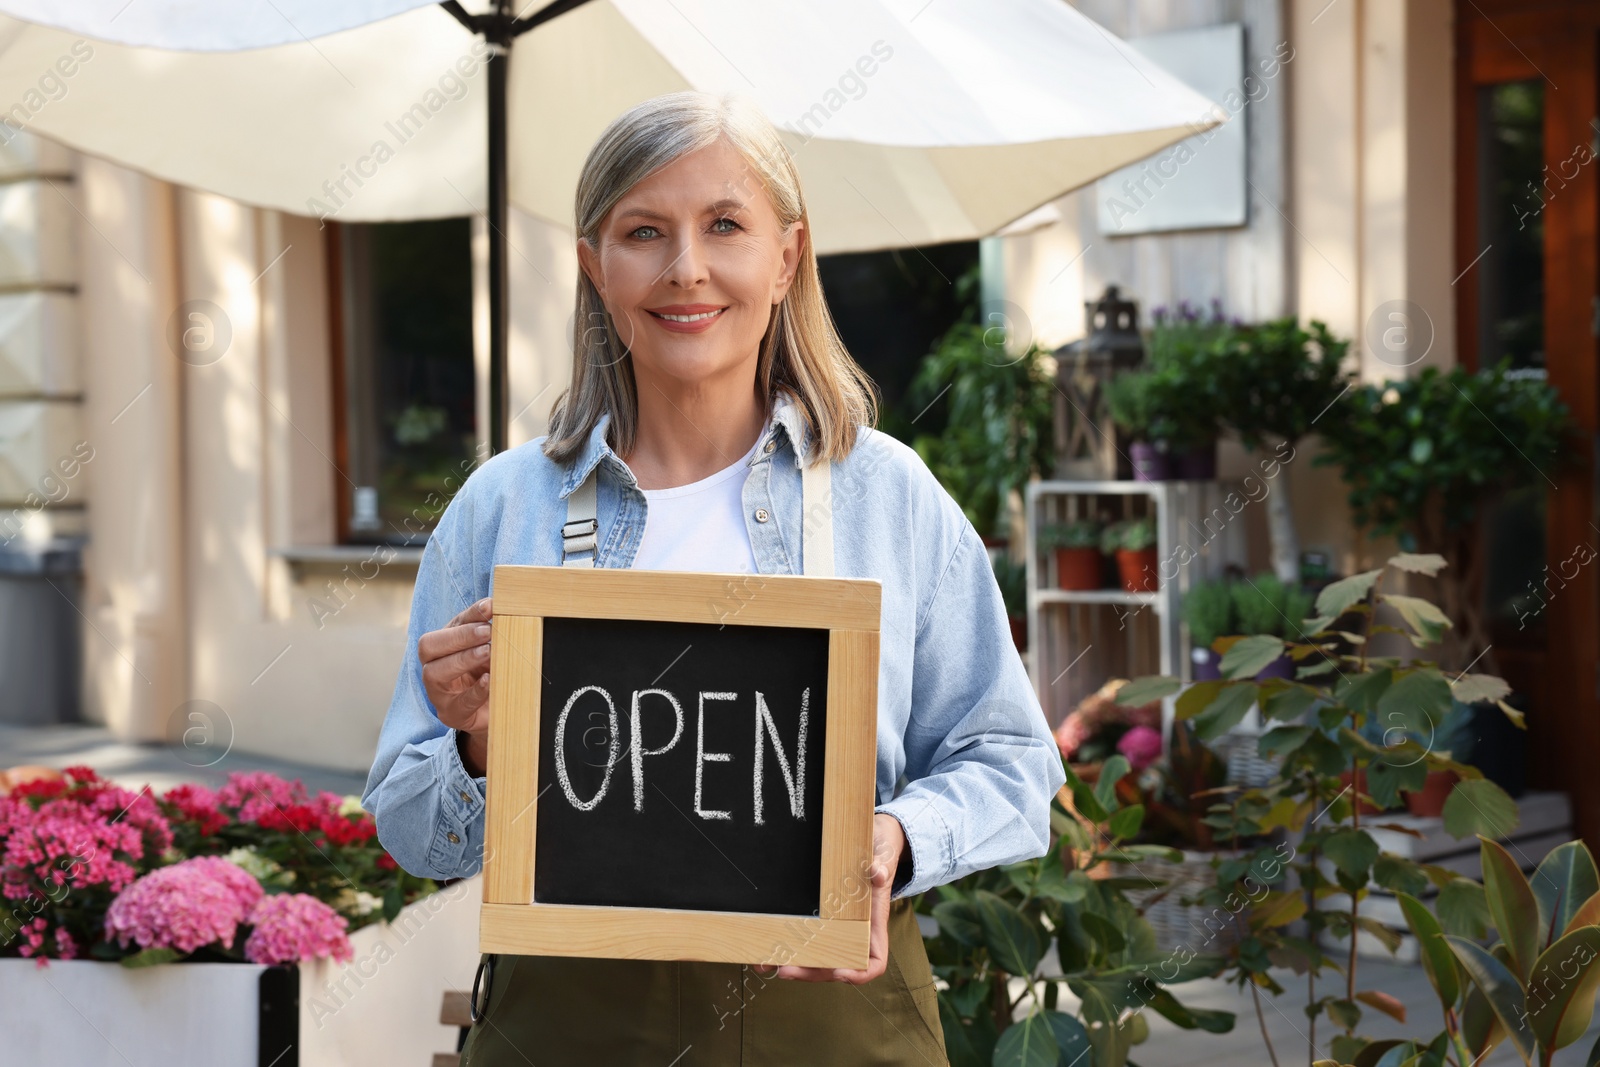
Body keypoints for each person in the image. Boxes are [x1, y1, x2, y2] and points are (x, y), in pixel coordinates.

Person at [362, 89, 1065, 1066]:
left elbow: (1013, 762)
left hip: (836, 1026)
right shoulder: (502, 504)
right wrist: (476, 748)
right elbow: (410, 826)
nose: (685, 267)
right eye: (643, 231)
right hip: (569, 1028)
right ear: (592, 266)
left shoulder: (886, 495)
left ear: (785, 258)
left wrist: (897, 833)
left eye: (724, 224)